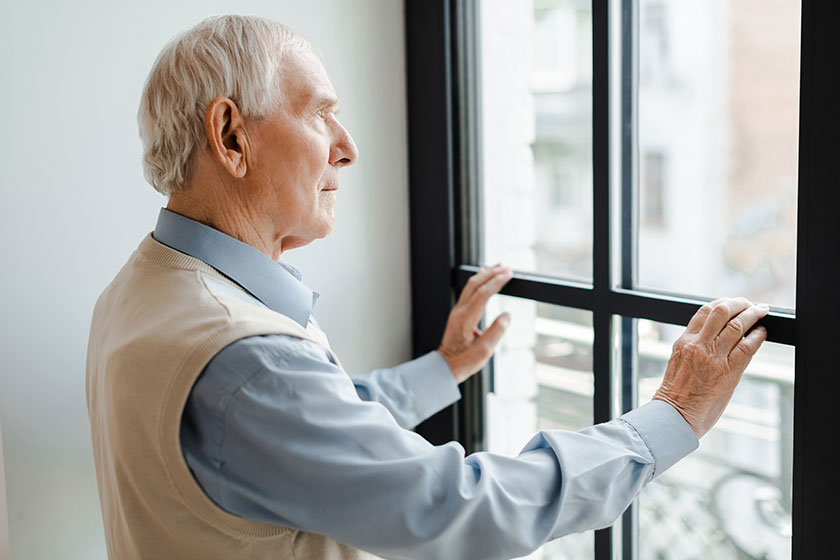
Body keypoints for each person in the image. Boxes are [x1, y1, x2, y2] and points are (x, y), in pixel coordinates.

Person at [85, 15, 769, 560]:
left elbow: (296, 424)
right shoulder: (242, 360)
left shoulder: (142, 290)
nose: (346, 147)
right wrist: (672, 417)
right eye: (320, 114)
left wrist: (445, 368)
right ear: (231, 136)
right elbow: (462, 510)